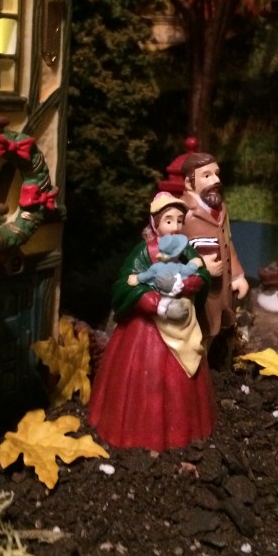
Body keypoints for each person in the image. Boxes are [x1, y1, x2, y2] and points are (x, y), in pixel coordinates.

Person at [88, 193, 215, 451]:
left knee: (184, 385)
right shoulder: (144, 252)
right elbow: (126, 284)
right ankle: (134, 433)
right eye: (168, 220)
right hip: (146, 332)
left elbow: (201, 272)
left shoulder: (186, 251)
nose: (175, 227)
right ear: (155, 224)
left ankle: (185, 431)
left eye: (179, 221)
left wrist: (189, 283)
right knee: (140, 383)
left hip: (184, 326)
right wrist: (154, 302)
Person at [180, 152, 249, 366]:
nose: (216, 180)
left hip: (221, 288)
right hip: (199, 293)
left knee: (218, 330)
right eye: (207, 176)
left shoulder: (221, 209)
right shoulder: (183, 214)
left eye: (216, 174)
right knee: (198, 333)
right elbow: (171, 254)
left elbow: (228, 244)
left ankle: (211, 368)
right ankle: (195, 372)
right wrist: (200, 265)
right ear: (189, 183)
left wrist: (237, 275)